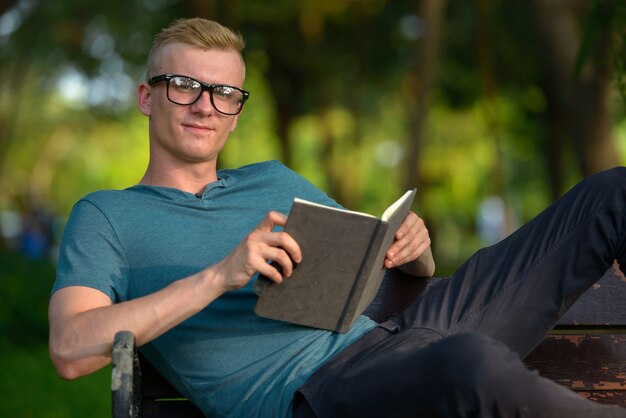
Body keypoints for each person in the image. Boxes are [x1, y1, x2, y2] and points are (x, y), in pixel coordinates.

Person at [48, 17, 626, 418]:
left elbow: (362, 272)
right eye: (184, 86)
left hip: (405, 338)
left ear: (236, 112)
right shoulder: (108, 216)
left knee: (611, 194)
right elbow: (71, 349)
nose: (206, 104)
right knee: (467, 363)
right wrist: (217, 276)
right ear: (147, 97)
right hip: (321, 395)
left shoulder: (273, 180)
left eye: (225, 92)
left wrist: (413, 251)